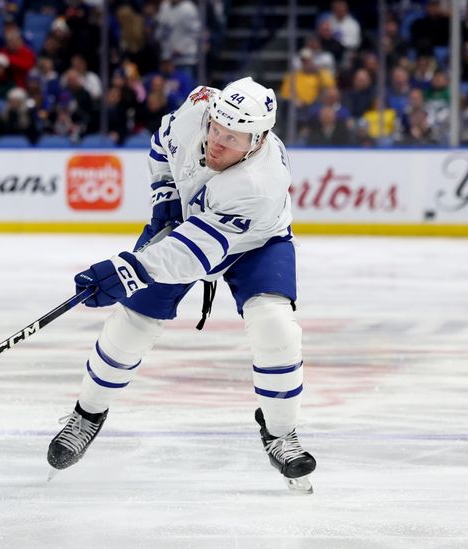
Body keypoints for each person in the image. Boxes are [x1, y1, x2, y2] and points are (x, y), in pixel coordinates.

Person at [47, 77, 317, 493]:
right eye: (216, 128)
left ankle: (280, 432)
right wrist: (166, 195)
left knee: (274, 327)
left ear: (259, 140)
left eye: (233, 138)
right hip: (194, 225)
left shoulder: (259, 186)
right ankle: (87, 413)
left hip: (256, 242)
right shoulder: (197, 113)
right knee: (130, 324)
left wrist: (125, 271)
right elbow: (161, 144)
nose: (217, 142)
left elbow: (191, 255)